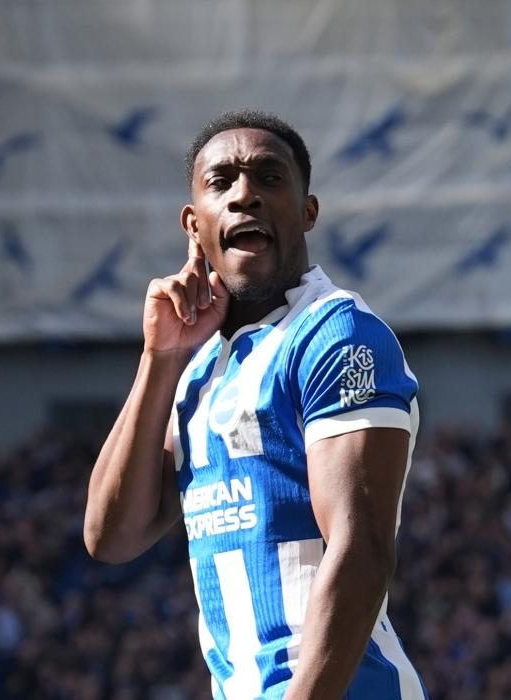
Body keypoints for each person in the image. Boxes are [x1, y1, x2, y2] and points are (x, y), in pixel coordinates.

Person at [83, 109, 427, 700]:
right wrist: (160, 357)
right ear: (194, 224)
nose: (245, 195)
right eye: (222, 182)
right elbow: (110, 536)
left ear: (307, 212)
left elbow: (361, 552)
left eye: (269, 178)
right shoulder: (196, 372)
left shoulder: (337, 335)